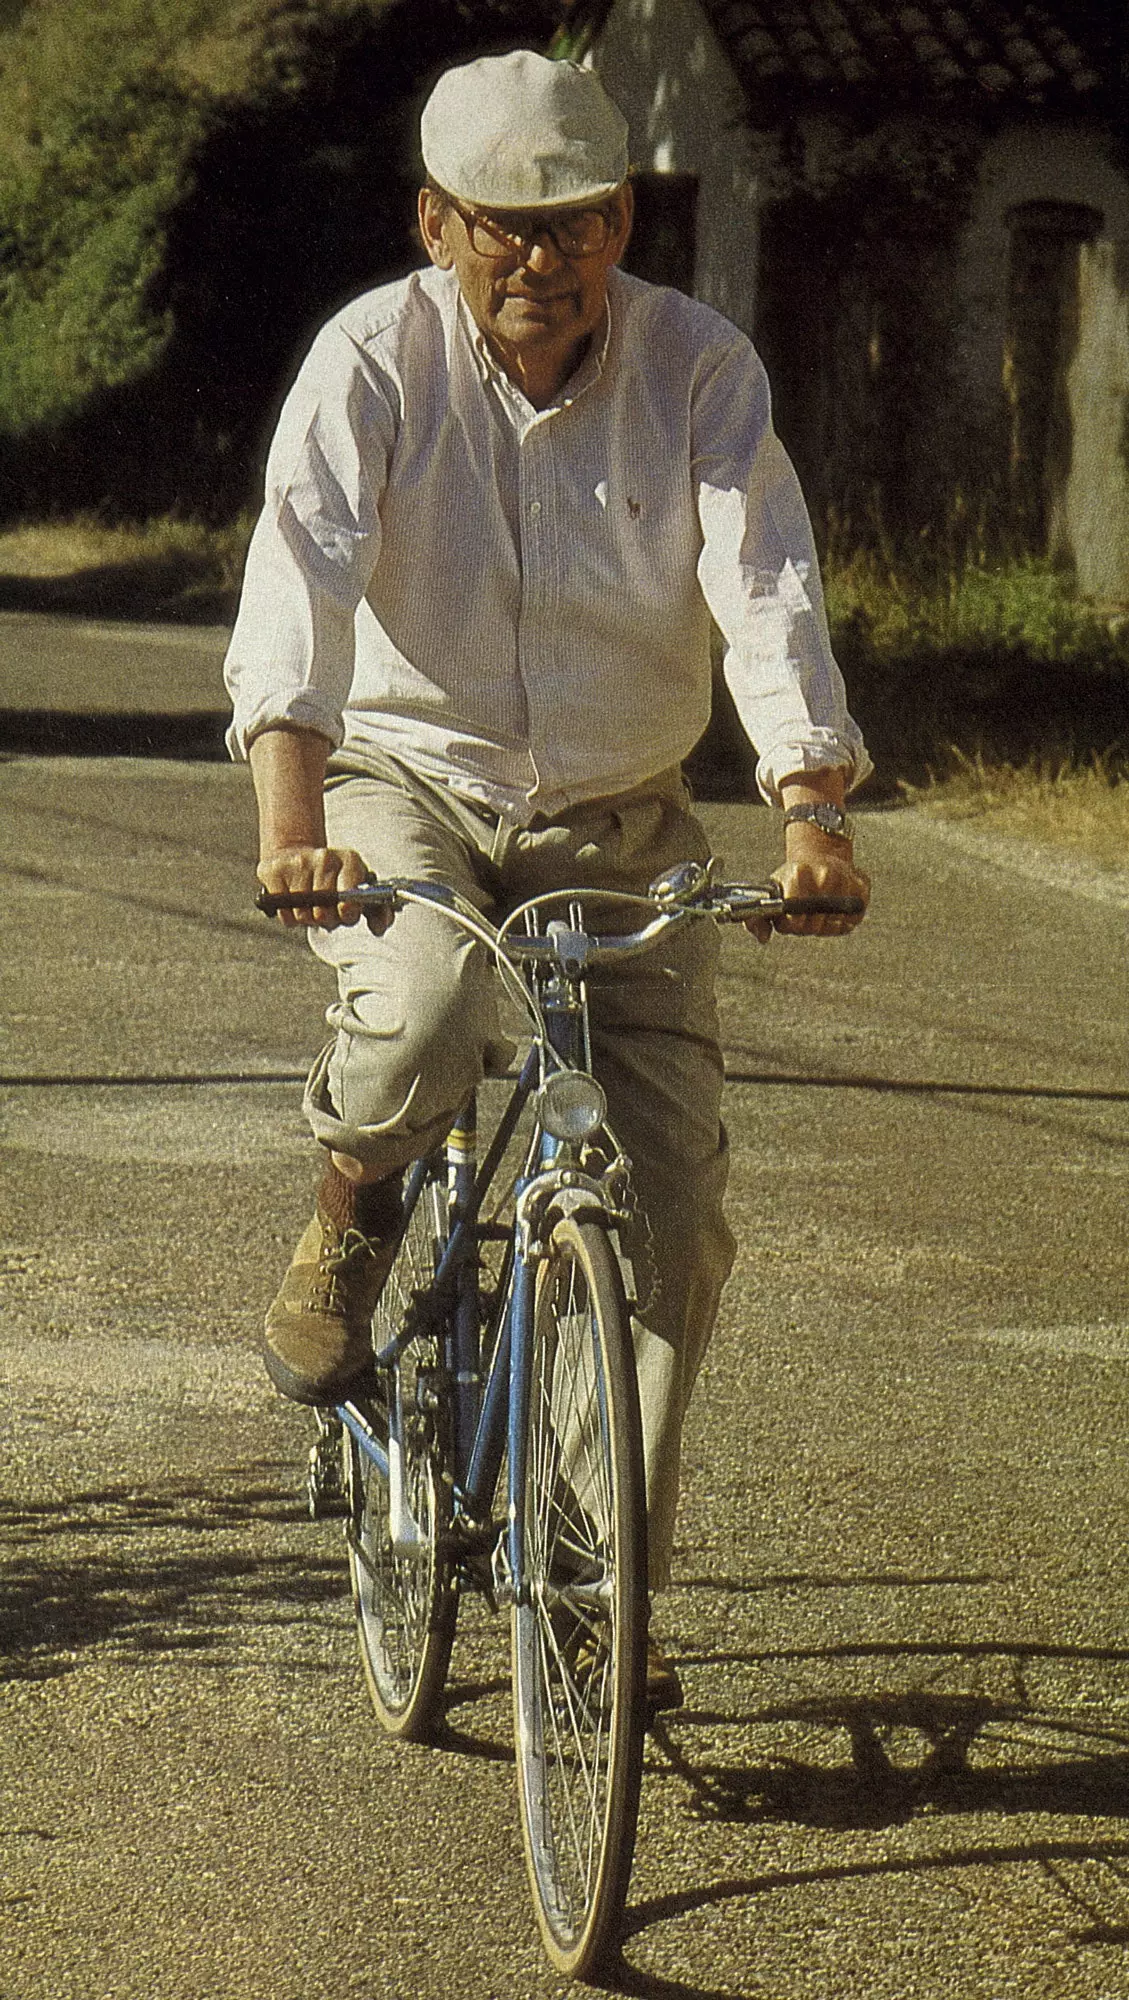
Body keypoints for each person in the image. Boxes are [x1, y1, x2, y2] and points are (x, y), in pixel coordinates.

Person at [225, 48, 871, 1702]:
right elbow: (297, 579)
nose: (540, 261)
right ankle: (354, 1211)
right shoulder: (372, 357)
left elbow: (764, 577)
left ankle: (596, 1581)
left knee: (675, 1223)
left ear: (621, 221)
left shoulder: (698, 366)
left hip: (616, 812)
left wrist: (810, 807)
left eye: (574, 226)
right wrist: (293, 822)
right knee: (429, 999)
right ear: (438, 223)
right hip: (403, 780)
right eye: (503, 227)